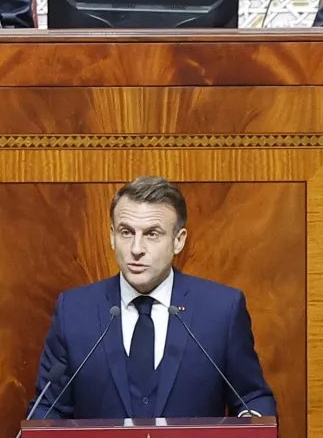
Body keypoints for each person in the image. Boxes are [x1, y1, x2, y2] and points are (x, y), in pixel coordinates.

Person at [32, 176, 275, 420]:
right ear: (111, 236)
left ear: (178, 241)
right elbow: (48, 407)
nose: (136, 248)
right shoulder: (74, 312)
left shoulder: (221, 310)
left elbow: (252, 397)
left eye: (152, 234)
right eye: (126, 232)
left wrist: (251, 425)